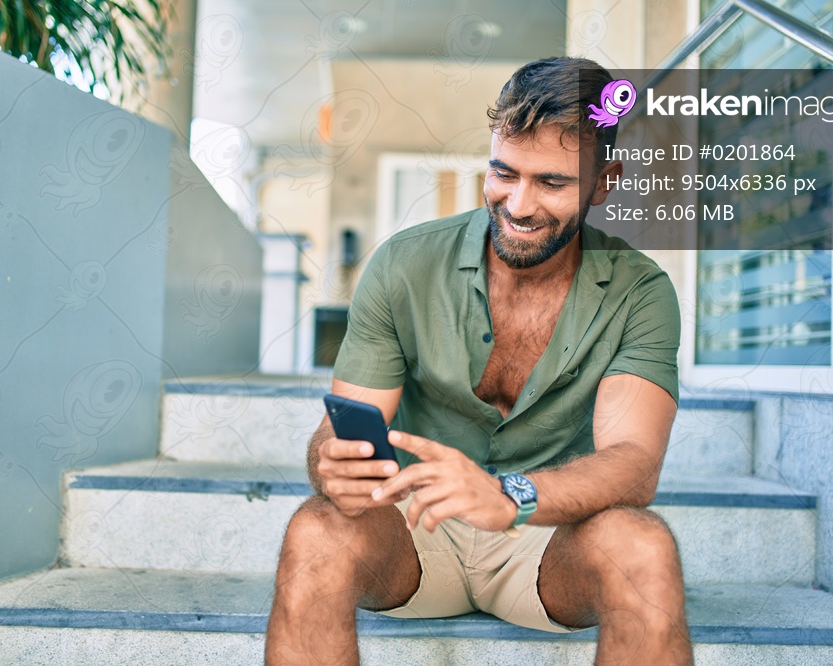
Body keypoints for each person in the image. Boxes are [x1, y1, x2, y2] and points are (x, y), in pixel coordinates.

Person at [265, 56, 691, 665]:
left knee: (643, 547)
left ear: (604, 182)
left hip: (546, 536)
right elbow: (345, 426)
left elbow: (633, 465)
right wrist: (333, 460)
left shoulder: (640, 291)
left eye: (552, 183)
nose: (518, 204)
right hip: (413, 531)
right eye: (503, 173)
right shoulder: (404, 265)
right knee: (315, 530)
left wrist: (508, 494)